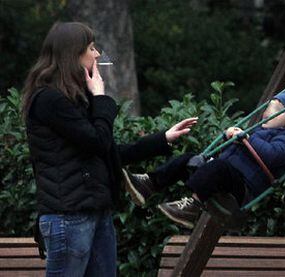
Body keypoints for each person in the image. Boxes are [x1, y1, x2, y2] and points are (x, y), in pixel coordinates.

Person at [22, 22, 197, 276]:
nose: (97, 54)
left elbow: (105, 150)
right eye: (91, 48)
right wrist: (101, 98)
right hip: (69, 217)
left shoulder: (73, 99)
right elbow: (98, 141)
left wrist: (163, 138)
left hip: (95, 212)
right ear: (73, 54)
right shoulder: (49, 100)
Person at [123, 92, 285, 229]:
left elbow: (272, 155)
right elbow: (235, 152)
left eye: (277, 109)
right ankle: (150, 183)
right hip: (226, 176)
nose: (269, 110)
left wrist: (246, 137)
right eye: (270, 105)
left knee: (219, 167)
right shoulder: (259, 132)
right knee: (189, 159)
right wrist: (229, 137)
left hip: (241, 188)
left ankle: (192, 206)